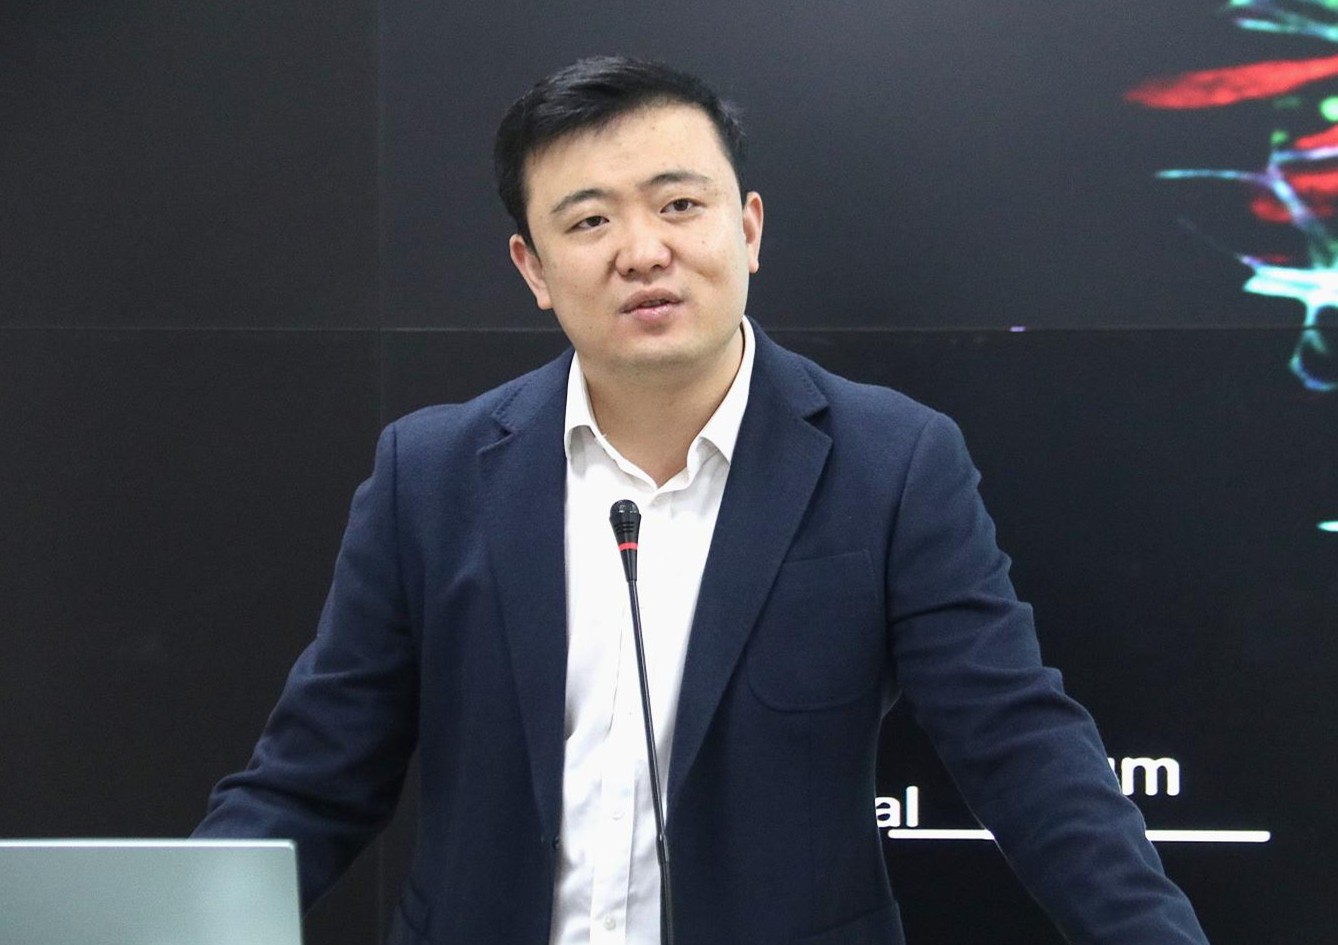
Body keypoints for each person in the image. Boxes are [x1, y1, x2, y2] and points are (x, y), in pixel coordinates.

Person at [195, 56, 1211, 945]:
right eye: (589, 221)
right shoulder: (431, 473)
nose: (642, 250)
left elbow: (1023, 752)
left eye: (679, 205)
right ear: (533, 268)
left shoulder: (891, 462)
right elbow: (311, 781)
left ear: (748, 227)